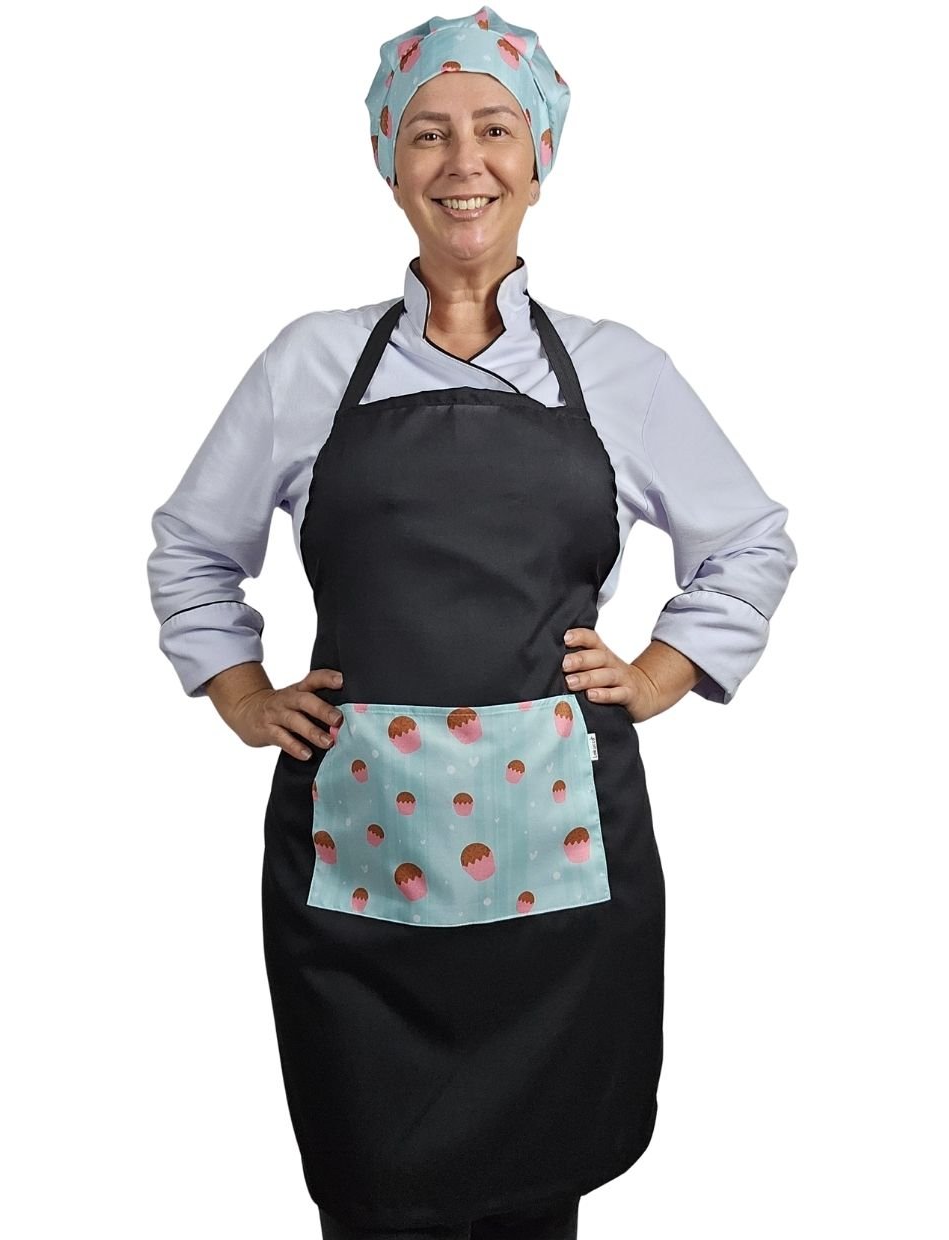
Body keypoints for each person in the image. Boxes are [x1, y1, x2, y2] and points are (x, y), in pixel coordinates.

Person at [146, 8, 797, 1238]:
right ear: (388, 160)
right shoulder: (308, 363)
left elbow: (748, 541)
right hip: (359, 859)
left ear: (539, 156)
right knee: (372, 1188)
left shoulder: (616, 370)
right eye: (429, 133)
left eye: (495, 129)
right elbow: (192, 546)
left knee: (535, 1193)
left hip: (559, 865)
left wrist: (664, 671)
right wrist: (239, 691)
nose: (464, 163)